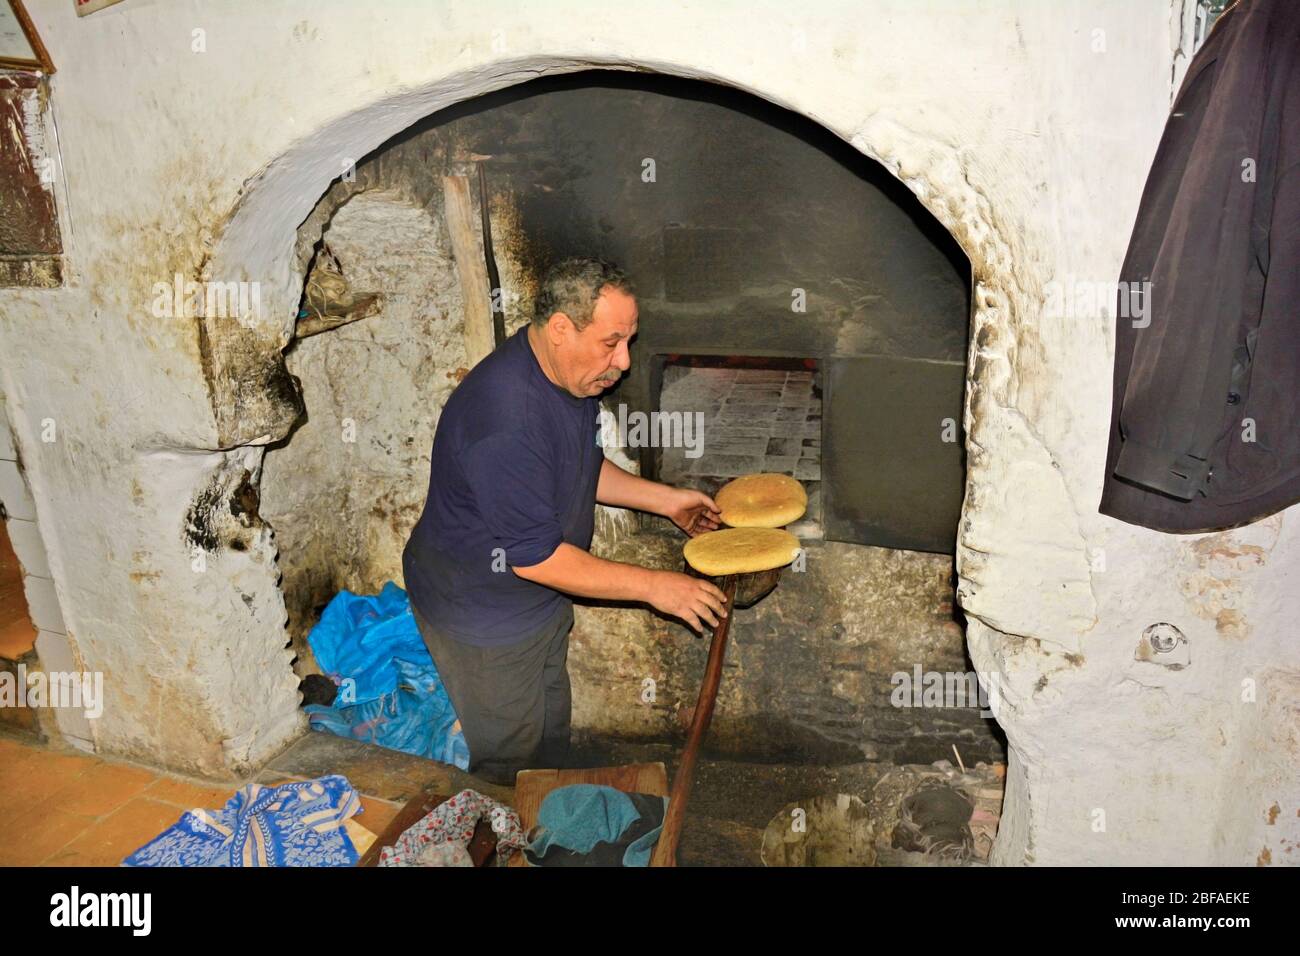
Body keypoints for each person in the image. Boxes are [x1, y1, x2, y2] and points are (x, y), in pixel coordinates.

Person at [402, 257, 729, 785]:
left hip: (538, 598)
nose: (623, 361)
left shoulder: (565, 374)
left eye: (629, 341)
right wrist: (655, 587)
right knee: (511, 765)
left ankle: (547, 807)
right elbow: (537, 558)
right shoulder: (506, 420)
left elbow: (577, 467)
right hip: (484, 611)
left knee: (550, 734)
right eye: (611, 342)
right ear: (560, 329)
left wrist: (665, 500)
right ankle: (511, 835)